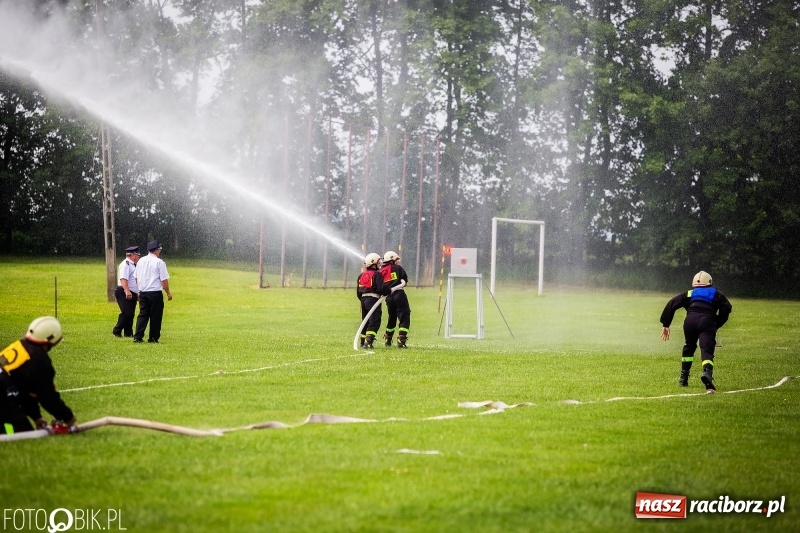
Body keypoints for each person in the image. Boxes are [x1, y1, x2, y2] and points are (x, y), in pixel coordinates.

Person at [0, 316, 77, 435]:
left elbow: (23, 389)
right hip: (4, 400)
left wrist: (36, 417)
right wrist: (68, 417)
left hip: (6, 395)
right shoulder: (39, 360)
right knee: (23, 438)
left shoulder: (19, 346)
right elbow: (48, 397)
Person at [660, 270, 733, 393]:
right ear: (709, 282)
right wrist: (717, 323)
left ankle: (683, 378)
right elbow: (727, 307)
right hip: (707, 321)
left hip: (689, 322)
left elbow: (672, 303)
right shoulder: (716, 294)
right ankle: (707, 374)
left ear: (694, 283)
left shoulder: (690, 293)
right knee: (706, 349)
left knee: (689, 346)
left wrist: (666, 324)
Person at [133, 240, 173, 343]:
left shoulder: (140, 261)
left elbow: (136, 278)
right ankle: (153, 338)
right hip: (155, 293)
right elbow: (164, 281)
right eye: (159, 250)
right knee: (156, 316)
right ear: (156, 251)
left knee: (143, 315)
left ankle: (138, 336)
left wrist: (139, 290)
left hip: (143, 292)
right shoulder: (159, 262)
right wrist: (168, 293)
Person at [356, 252, 389, 349]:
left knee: (365, 321)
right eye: (378, 262)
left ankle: (362, 341)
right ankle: (369, 341)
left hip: (363, 300)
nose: (380, 264)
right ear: (373, 263)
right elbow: (380, 289)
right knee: (374, 321)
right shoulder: (377, 275)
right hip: (373, 300)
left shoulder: (361, 275)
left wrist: (363, 300)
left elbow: (358, 292)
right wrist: (388, 290)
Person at [380, 251, 411, 348]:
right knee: (404, 315)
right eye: (396, 260)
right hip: (399, 294)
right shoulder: (398, 268)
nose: (397, 262)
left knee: (392, 317)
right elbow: (405, 281)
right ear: (392, 259)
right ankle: (401, 339)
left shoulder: (381, 271)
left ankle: (388, 338)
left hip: (388, 298)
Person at [112, 245, 141, 337]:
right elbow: (123, 279)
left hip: (132, 292)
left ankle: (128, 333)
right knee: (127, 313)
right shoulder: (125, 264)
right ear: (132, 255)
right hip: (123, 291)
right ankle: (117, 330)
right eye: (137, 255)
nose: (138, 257)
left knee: (131, 314)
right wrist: (127, 291)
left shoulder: (133, 265)